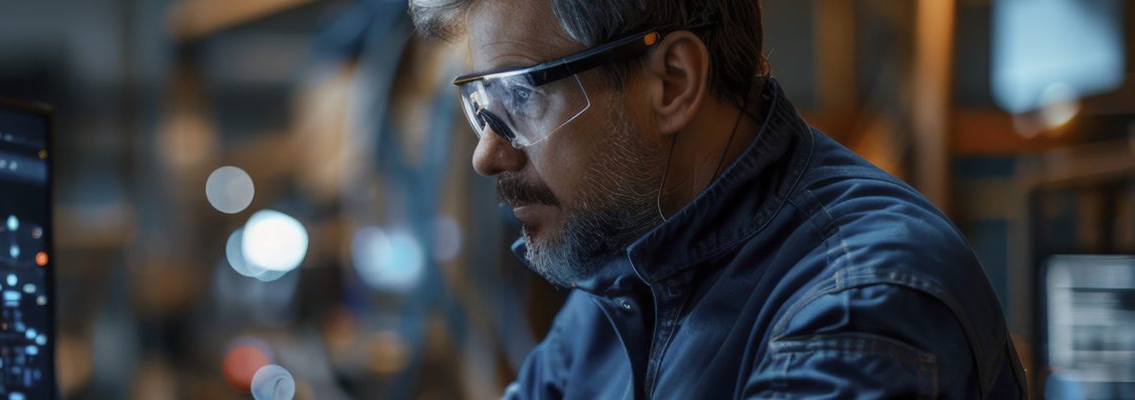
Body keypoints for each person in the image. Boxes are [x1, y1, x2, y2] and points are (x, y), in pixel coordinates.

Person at [408, 0, 1027, 397]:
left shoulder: (858, 307)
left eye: (519, 98)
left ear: (673, 83)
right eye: (482, 105)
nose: (486, 154)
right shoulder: (620, 280)